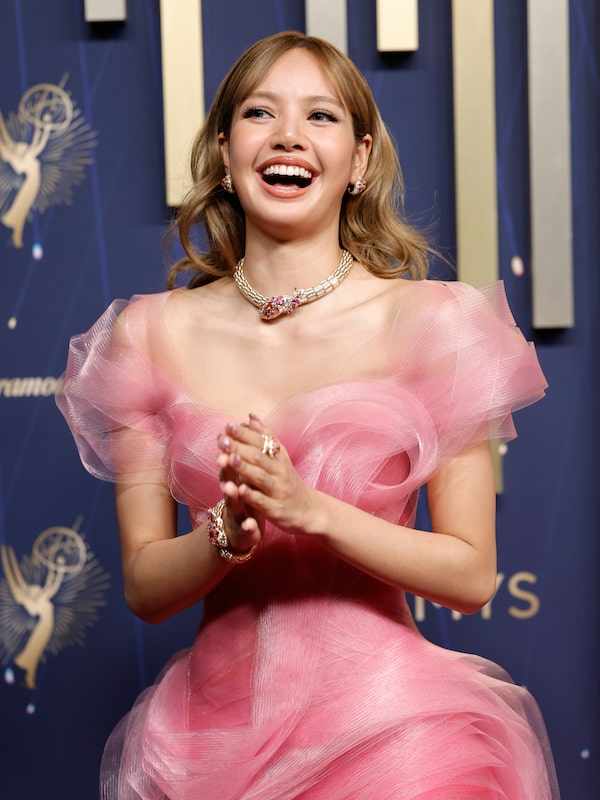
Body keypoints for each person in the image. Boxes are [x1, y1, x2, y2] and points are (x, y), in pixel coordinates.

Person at [57, 30, 559, 800]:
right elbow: (144, 587)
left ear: (358, 162)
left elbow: (471, 574)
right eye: (261, 113)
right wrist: (227, 533)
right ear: (225, 152)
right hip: (204, 749)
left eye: (319, 117)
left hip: (393, 742)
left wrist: (309, 509)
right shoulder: (147, 333)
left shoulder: (434, 323)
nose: (288, 134)